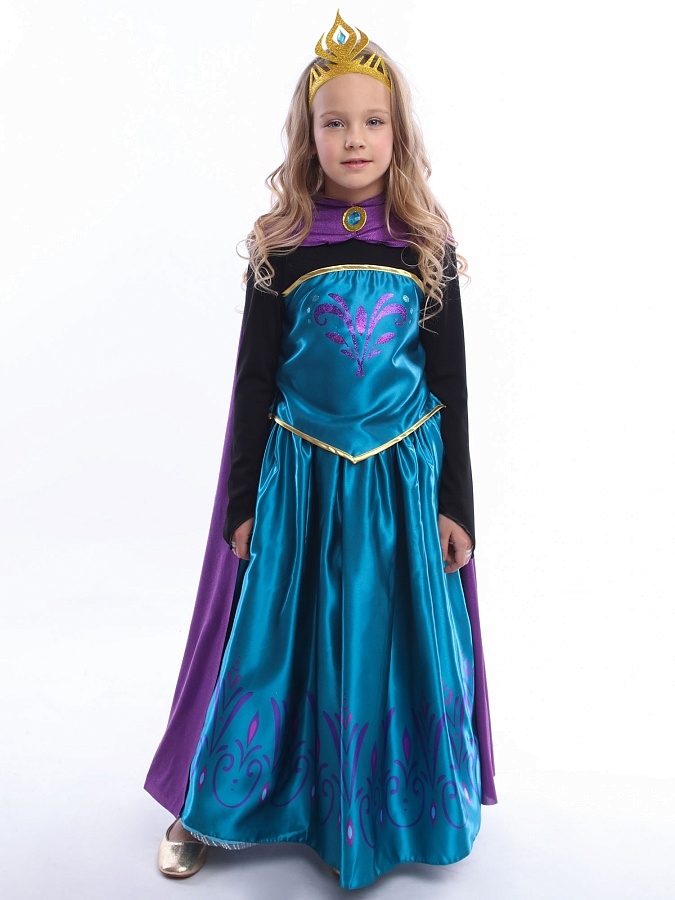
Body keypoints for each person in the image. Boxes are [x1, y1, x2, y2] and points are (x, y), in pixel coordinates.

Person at [145, 10, 496, 891]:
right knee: (267, 644)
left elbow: (450, 385)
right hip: (299, 480)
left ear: (398, 133)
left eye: (372, 121)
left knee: (394, 648)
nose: (354, 139)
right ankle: (210, 806)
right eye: (334, 122)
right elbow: (253, 384)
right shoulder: (282, 246)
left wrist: (455, 505)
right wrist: (242, 503)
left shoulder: (425, 246)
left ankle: (384, 810)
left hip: (398, 486)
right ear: (308, 135)